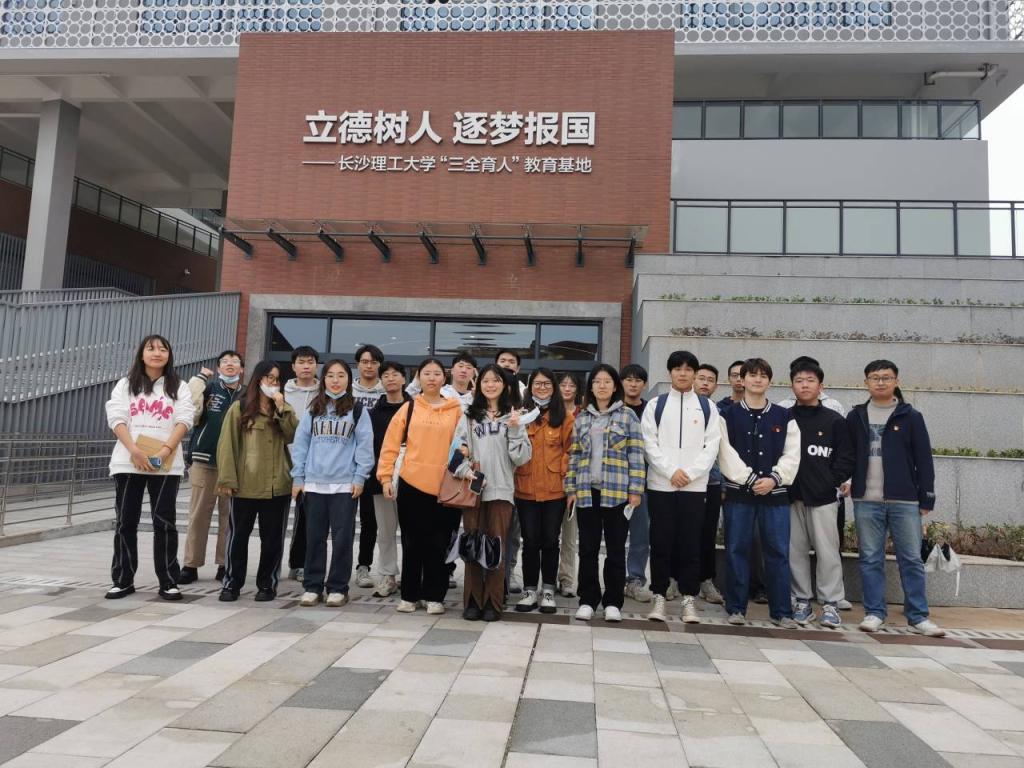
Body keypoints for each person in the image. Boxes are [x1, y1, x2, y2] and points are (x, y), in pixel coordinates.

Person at [847, 360, 944, 637]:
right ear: (866, 382)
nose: (880, 382)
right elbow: (848, 454)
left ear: (896, 381)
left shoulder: (911, 416)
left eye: (886, 377)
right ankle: (874, 613)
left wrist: (927, 498)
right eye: (875, 377)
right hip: (866, 500)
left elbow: (924, 460)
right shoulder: (856, 416)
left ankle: (918, 617)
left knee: (911, 559)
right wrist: (845, 480)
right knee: (870, 558)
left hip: (905, 500)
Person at [104, 335, 195, 601]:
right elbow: (116, 417)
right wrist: (134, 450)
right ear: (141, 354)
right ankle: (123, 580)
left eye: (163, 349)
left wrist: (164, 451)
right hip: (128, 461)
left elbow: (185, 419)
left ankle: (168, 581)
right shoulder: (125, 384)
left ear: (169, 355)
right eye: (151, 348)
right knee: (126, 521)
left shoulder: (179, 386)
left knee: (164, 522)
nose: (157, 353)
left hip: (165, 465)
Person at [719, 358, 801, 628]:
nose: (757, 379)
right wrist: (751, 478)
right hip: (739, 494)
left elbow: (793, 454)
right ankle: (736, 608)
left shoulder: (784, 416)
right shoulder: (727, 415)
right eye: (752, 375)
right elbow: (725, 453)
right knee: (736, 550)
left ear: (770, 381)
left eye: (763, 375)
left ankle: (782, 612)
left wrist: (774, 479)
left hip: (775, 496)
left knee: (778, 552)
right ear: (741, 380)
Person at [377, 357, 464, 615]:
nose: (432, 378)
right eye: (426, 373)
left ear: (444, 378)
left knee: (440, 543)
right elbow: (390, 446)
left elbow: (465, 444)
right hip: (411, 484)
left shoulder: (456, 410)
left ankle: (434, 596)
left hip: (446, 486)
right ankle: (410, 595)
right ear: (418, 378)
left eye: (437, 373)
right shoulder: (409, 408)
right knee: (412, 542)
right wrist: (385, 478)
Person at [641, 351, 721, 624]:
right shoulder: (656, 405)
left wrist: (690, 473)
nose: (683, 373)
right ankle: (659, 596)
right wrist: (670, 471)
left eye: (688, 369)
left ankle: (689, 599)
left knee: (690, 544)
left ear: (695, 374)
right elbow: (649, 443)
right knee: (660, 542)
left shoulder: (708, 407)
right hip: (660, 485)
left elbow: (712, 446)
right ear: (670, 373)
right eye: (677, 369)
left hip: (694, 487)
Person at [565, 364, 646, 622]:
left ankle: (613, 602)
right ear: (591, 387)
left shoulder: (628, 416)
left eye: (607, 381)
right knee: (587, 549)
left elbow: (636, 455)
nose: (602, 386)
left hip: (617, 493)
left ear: (615, 386)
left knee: (615, 550)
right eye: (597, 381)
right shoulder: (582, 418)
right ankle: (588, 600)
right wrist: (571, 489)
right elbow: (574, 455)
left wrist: (636, 490)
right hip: (587, 492)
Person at [291, 359, 374, 608]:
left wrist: (360, 477)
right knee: (314, 538)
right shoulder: (313, 409)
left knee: (342, 539)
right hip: (314, 484)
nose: (335, 380)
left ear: (348, 379)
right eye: (330, 376)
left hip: (344, 486)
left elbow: (365, 447)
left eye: (341, 375)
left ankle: (338, 587)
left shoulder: (357, 411)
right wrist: (298, 477)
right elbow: (301, 444)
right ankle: (313, 586)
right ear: (323, 380)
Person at [454, 365, 532, 621]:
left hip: (502, 491)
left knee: (496, 548)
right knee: (473, 546)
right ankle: (473, 601)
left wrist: (515, 428)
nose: (490, 385)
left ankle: (492, 603)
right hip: (474, 490)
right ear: (478, 385)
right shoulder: (469, 416)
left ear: (505, 385)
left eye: (495, 380)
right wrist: (466, 471)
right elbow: (455, 452)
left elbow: (521, 458)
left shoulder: (514, 416)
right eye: (485, 380)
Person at [216, 360, 298, 602]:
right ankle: (232, 583)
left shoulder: (283, 408)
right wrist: (227, 479)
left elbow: (293, 435)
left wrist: (281, 408)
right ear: (258, 379)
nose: (273, 383)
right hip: (245, 484)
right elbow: (227, 445)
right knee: (238, 537)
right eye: (269, 377)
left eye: (277, 379)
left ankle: (267, 584)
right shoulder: (240, 407)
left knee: (272, 540)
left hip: (276, 485)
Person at [787, 359, 855, 629]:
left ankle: (830, 604)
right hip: (791, 497)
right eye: (799, 381)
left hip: (824, 498)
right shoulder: (784, 417)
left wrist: (831, 482)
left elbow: (846, 458)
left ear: (820, 386)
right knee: (795, 552)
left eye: (810, 381)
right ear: (792, 386)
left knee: (828, 553)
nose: (804, 385)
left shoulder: (834, 420)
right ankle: (801, 601)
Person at [179, 350, 244, 585]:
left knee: (229, 518)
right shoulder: (209, 389)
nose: (230, 365)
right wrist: (200, 378)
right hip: (204, 459)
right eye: (225, 362)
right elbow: (189, 407)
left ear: (241, 369)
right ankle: (190, 564)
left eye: (234, 361)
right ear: (218, 368)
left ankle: (224, 564)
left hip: (234, 465)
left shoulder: (247, 394)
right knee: (198, 515)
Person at [514, 367, 574, 614]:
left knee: (550, 540)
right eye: (537, 384)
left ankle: (548, 589)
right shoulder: (521, 414)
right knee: (530, 541)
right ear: (530, 387)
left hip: (554, 490)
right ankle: (529, 590)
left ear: (554, 387)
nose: (542, 388)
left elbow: (571, 451)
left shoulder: (565, 416)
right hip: (525, 488)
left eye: (547, 384)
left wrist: (567, 481)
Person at [366, 361, 410, 597]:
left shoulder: (416, 409)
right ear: (381, 381)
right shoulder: (373, 414)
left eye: (395, 374)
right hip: (381, 480)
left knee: (413, 531)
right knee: (385, 532)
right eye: (386, 375)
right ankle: (388, 575)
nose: (391, 378)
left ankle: (412, 575)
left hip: (412, 480)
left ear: (404, 379)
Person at [352, 345, 387, 589]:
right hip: (345, 462)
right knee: (342, 521)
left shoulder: (386, 392)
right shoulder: (347, 391)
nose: (369, 366)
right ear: (358, 364)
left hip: (374, 464)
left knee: (369, 520)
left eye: (374, 362)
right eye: (365, 361)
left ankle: (364, 566)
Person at [284, 346, 320, 582]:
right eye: (301, 362)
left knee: (305, 517)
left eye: (310, 362)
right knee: (275, 518)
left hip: (310, 465)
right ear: (293, 366)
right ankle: (272, 564)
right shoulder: (281, 393)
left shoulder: (323, 394)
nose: (306, 366)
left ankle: (299, 563)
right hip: (282, 461)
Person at [620, 363, 653, 603]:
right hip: (614, 481)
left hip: (643, 481)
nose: (633, 384)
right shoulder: (614, 409)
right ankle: (614, 577)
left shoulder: (651, 411)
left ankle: (635, 579)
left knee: (641, 534)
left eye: (638, 380)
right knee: (614, 534)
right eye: (629, 379)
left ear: (645, 384)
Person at [693, 363, 725, 605]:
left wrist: (722, 484)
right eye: (701, 378)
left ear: (715, 385)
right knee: (678, 531)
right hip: (681, 480)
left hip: (712, 481)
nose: (705, 383)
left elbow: (723, 451)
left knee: (707, 532)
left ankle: (705, 580)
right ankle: (674, 577)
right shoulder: (678, 408)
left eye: (710, 380)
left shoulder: (719, 412)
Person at [495, 349, 525, 591]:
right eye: (502, 361)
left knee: (512, 531)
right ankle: (487, 575)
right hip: (487, 479)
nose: (507, 364)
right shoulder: (480, 401)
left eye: (511, 362)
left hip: (516, 479)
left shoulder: (523, 403)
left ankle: (509, 572)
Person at [556, 371, 582, 597]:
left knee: (570, 535)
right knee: (548, 535)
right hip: (551, 481)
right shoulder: (549, 412)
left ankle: (566, 579)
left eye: (571, 385)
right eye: (563, 384)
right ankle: (548, 578)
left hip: (574, 482)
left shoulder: (583, 414)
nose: (567, 388)